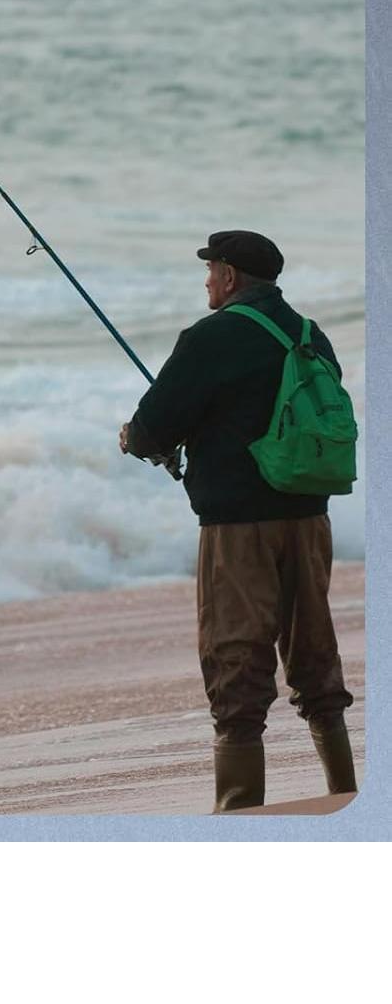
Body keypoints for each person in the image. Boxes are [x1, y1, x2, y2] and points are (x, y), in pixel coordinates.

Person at [119, 230, 357, 811]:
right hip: (309, 518)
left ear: (228, 276)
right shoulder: (308, 333)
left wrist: (133, 439)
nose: (206, 280)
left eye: (211, 270)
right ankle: (346, 794)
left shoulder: (211, 337)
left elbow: (153, 428)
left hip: (238, 528)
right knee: (315, 658)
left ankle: (239, 811)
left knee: (236, 663)